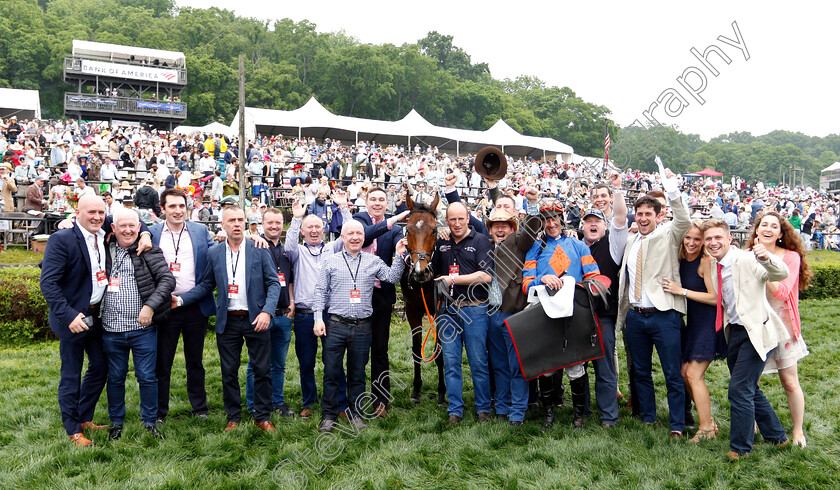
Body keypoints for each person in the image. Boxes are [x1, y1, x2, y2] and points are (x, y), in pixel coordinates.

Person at [39, 195, 152, 446]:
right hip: (72, 318)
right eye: (91, 212)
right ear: (76, 213)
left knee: (100, 367)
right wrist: (68, 315)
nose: (97, 217)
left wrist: (145, 234)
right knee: (71, 374)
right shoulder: (62, 239)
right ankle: (73, 430)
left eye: (101, 212)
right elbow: (48, 283)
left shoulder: (102, 229)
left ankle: (84, 416)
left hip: (95, 315)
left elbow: (131, 223)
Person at [176, 206, 280, 433]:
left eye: (240, 219)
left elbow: (273, 283)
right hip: (228, 321)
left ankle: (262, 416)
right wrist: (181, 300)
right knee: (228, 372)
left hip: (256, 319)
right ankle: (233, 416)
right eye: (231, 220)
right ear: (222, 225)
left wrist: (267, 311)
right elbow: (206, 285)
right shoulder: (214, 253)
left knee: (262, 370)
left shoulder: (258, 247)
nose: (236, 224)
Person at [702, 219, 790, 459]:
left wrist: (765, 258)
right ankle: (777, 437)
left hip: (757, 332)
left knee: (739, 389)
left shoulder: (747, 258)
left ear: (730, 238)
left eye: (718, 237)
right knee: (749, 388)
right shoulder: (714, 264)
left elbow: (781, 273)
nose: (713, 242)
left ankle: (741, 449)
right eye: (708, 238)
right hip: (735, 332)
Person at [616, 166, 691, 438]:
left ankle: (677, 425)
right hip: (635, 315)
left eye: (649, 213)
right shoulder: (631, 239)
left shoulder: (669, 234)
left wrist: (671, 189)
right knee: (641, 372)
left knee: (673, 373)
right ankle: (648, 418)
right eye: (640, 213)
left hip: (664, 314)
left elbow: (683, 220)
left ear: (659, 216)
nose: (644, 217)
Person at [313, 220, 407, 432]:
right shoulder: (330, 261)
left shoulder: (374, 261)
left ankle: (355, 414)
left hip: (362, 327)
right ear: (343, 237)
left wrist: (400, 255)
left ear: (364, 237)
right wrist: (318, 318)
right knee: (331, 373)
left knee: (357, 374)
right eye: (350, 234)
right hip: (335, 325)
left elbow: (391, 278)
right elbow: (319, 291)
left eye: (359, 233)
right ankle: (329, 415)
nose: (355, 237)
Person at [523, 198, 602, 429]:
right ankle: (548, 415)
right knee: (546, 367)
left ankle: (578, 416)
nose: (550, 223)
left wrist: (576, 286)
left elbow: (594, 278)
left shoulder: (578, 246)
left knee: (575, 366)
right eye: (546, 219)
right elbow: (526, 284)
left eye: (554, 218)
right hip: (543, 312)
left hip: (574, 312)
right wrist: (542, 278)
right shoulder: (535, 249)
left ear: (561, 219)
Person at [100, 208, 175, 440]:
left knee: (146, 376)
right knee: (115, 377)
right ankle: (116, 422)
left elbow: (167, 279)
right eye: (122, 226)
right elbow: (90, 224)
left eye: (133, 226)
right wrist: (66, 223)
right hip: (111, 329)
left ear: (140, 227)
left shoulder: (149, 249)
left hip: (142, 328)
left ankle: (150, 422)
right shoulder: (103, 249)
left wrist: (150, 306)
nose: (128, 230)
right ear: (113, 228)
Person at [150, 189, 217, 423]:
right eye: (172, 207)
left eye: (181, 206)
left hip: (195, 306)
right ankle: (159, 412)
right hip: (164, 308)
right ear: (163, 209)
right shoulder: (152, 233)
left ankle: (199, 408)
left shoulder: (200, 230)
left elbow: (215, 255)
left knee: (195, 361)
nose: (178, 211)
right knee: (163, 362)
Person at [284, 193, 353, 418]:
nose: (314, 231)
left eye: (317, 226)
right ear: (303, 231)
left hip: (330, 314)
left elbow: (350, 234)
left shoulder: (333, 249)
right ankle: (308, 402)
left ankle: (340, 403)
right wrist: (296, 218)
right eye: (309, 227)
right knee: (306, 362)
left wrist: (343, 208)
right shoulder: (297, 252)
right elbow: (289, 243)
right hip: (304, 315)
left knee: (333, 361)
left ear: (323, 228)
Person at [751, 211, 812, 447]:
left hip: (783, 327)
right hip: (756, 326)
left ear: (780, 234)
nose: (767, 228)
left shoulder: (790, 257)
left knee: (789, 382)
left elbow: (781, 292)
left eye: (773, 226)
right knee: (750, 383)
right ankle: (753, 423)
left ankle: (798, 431)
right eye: (763, 224)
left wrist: (763, 263)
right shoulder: (747, 255)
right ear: (756, 230)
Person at [431, 201, 495, 424]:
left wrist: (453, 279)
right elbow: (433, 273)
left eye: (461, 219)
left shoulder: (481, 241)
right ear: (446, 221)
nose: (457, 224)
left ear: (468, 218)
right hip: (448, 311)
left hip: (474, 308)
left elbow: (486, 276)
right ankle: (455, 410)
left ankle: (483, 409)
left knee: (478, 361)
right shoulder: (443, 243)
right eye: (452, 219)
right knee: (450, 362)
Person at [661, 221, 725, 442]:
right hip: (693, 324)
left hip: (708, 323)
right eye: (688, 238)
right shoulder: (679, 260)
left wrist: (682, 291)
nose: (691, 242)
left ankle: (706, 428)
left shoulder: (705, 261)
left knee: (693, 375)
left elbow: (715, 298)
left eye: (697, 239)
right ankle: (709, 423)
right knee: (684, 373)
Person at [484, 184, 541, 426]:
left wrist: (533, 204)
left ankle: (518, 412)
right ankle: (503, 407)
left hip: (514, 314)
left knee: (517, 365)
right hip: (492, 313)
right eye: (495, 226)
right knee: (498, 365)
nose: (499, 229)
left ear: (512, 227)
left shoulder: (519, 240)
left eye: (504, 226)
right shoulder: (485, 245)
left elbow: (531, 229)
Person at [351, 188, 410, 416]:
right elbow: (364, 235)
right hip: (357, 296)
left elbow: (400, 246)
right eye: (373, 199)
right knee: (356, 350)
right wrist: (392, 220)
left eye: (381, 200)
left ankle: (380, 400)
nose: (377, 203)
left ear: (388, 203)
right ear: (365, 202)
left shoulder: (394, 229)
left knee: (380, 349)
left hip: (381, 296)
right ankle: (353, 399)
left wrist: (404, 253)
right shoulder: (358, 220)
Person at [580, 176, 628, 429]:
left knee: (604, 366)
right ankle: (584, 410)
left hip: (603, 316)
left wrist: (617, 190)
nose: (592, 224)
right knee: (577, 366)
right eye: (588, 221)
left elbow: (620, 218)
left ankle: (609, 416)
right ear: (583, 225)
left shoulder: (612, 245)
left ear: (604, 225)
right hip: (577, 315)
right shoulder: (575, 247)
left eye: (597, 220)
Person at [245, 208, 296, 418]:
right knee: (255, 364)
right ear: (262, 224)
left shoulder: (288, 251)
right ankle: (253, 404)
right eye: (270, 223)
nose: (274, 226)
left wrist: (292, 301)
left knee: (278, 364)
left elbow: (290, 279)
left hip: (283, 315)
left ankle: (277, 402)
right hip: (261, 315)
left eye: (278, 222)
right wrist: (250, 236)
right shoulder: (254, 246)